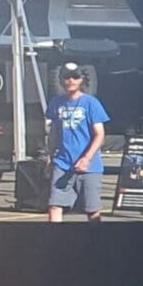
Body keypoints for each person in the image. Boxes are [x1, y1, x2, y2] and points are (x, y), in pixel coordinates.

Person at [47, 64, 110, 222]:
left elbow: (100, 135)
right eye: (67, 77)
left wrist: (86, 159)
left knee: (92, 210)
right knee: (55, 205)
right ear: (61, 80)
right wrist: (49, 156)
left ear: (82, 80)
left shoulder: (91, 103)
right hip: (63, 163)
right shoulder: (56, 103)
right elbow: (54, 132)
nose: (71, 80)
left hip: (90, 166)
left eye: (75, 77)